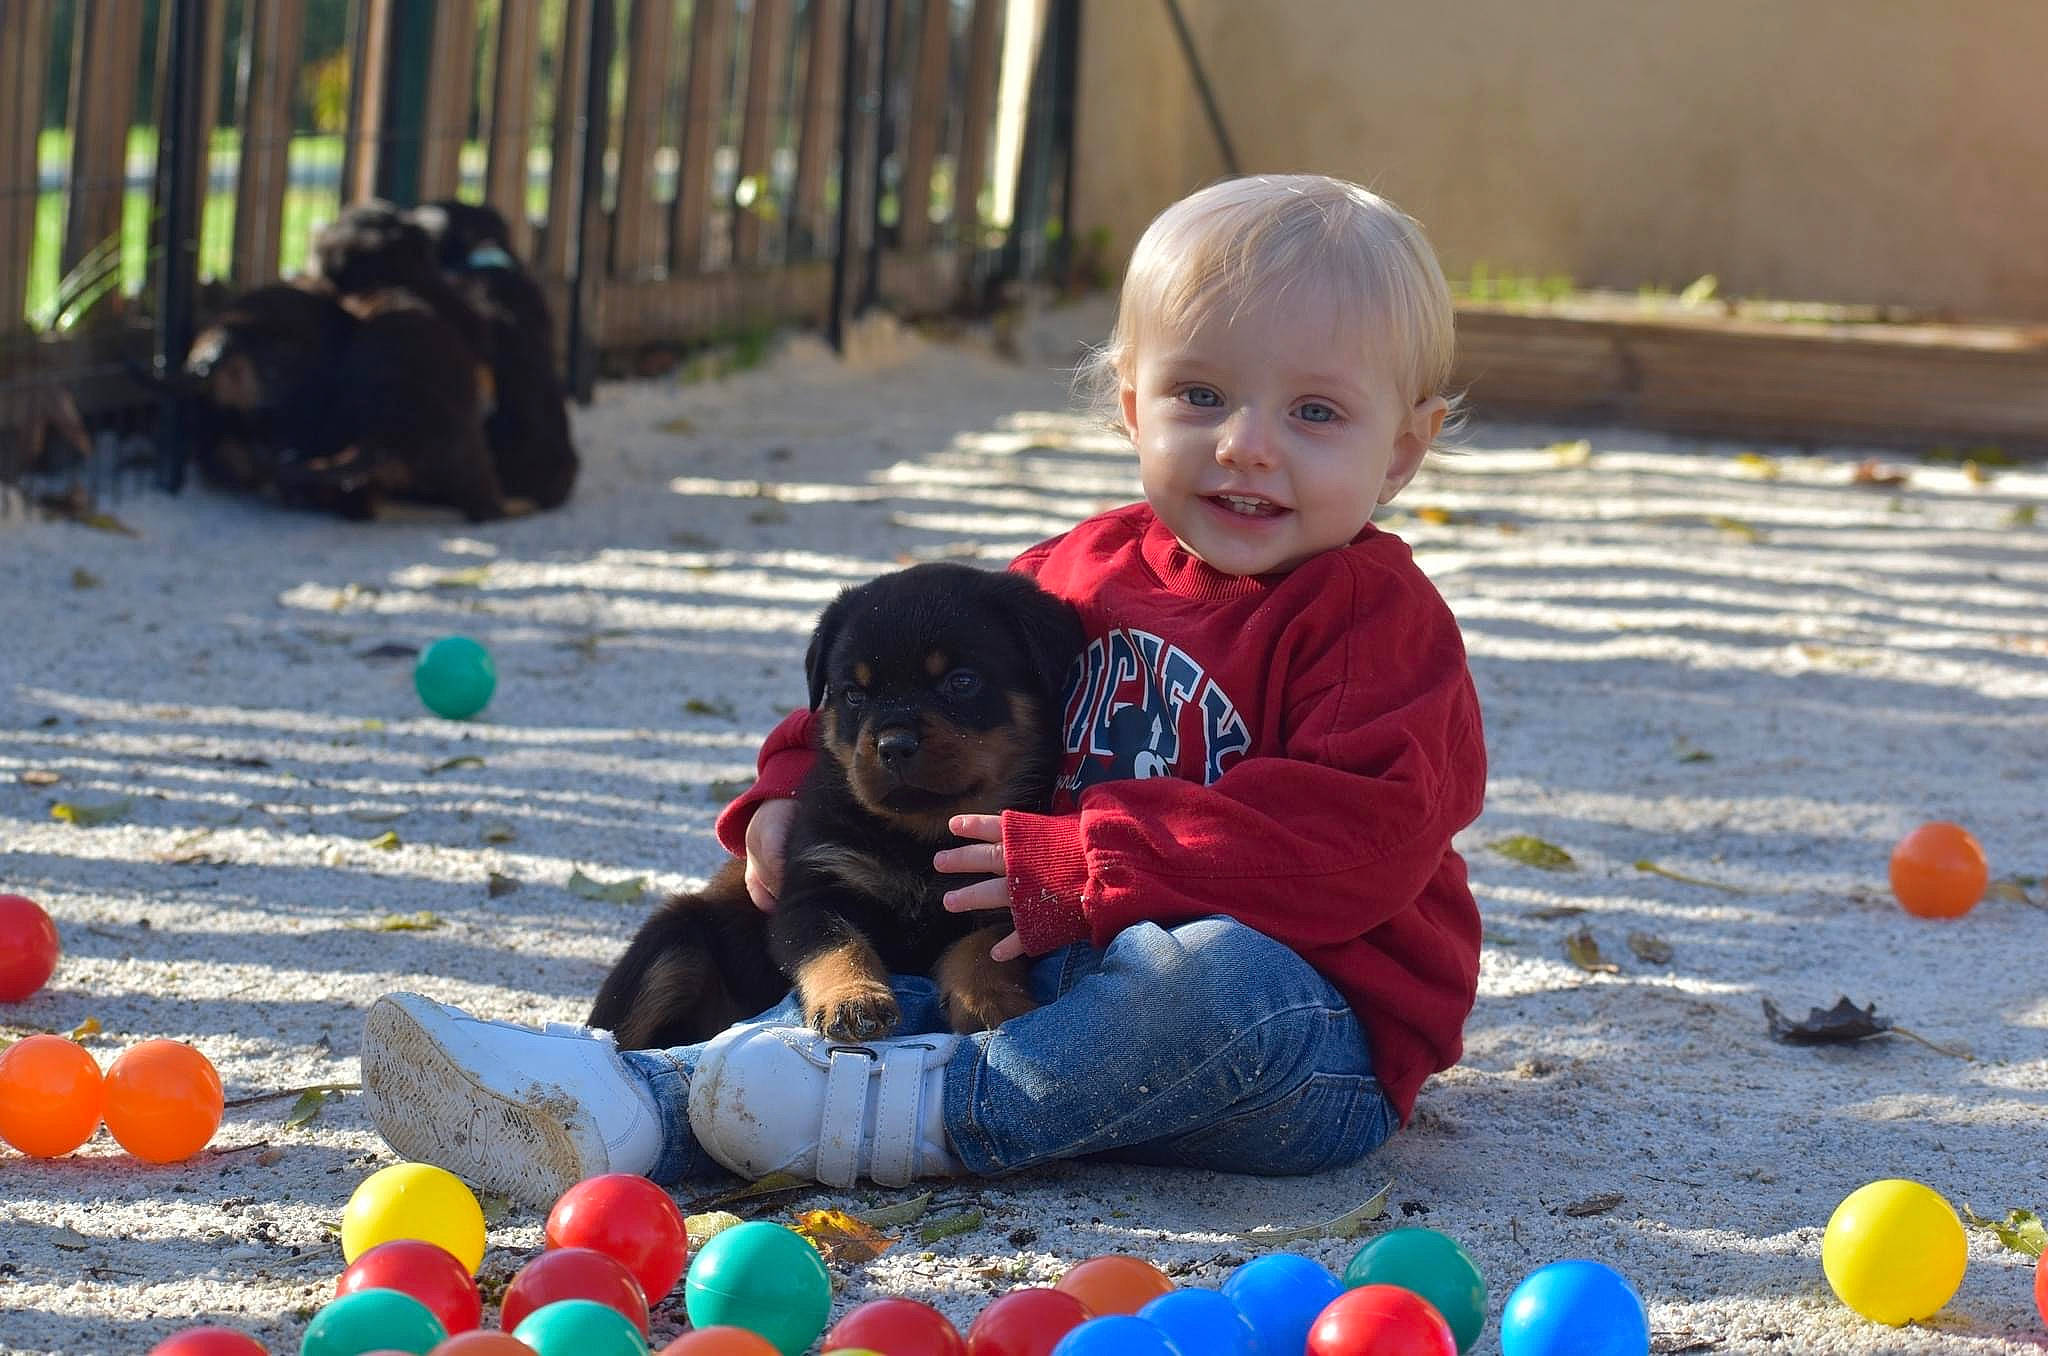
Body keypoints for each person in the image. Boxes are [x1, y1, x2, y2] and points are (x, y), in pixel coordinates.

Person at [360, 173, 1487, 1208]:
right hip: (1038, 986)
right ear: (1130, 406)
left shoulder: (1370, 622)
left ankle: (881, 1113)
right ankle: (628, 1104)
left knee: (1202, 971)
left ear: (1402, 450)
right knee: (881, 973)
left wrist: (1095, 865)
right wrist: (792, 789)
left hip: (1303, 1036)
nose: (1246, 447)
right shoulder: (1076, 572)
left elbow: (1361, 844)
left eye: (1314, 413)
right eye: (1201, 395)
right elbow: (885, 673)